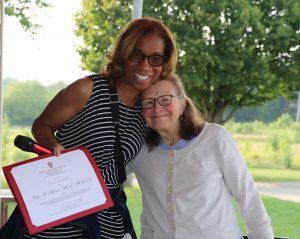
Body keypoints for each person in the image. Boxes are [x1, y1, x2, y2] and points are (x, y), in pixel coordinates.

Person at [0, 17, 178, 239]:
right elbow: (41, 125)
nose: (144, 65)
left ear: (164, 64)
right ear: (124, 53)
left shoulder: (150, 108)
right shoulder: (88, 90)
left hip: (108, 217)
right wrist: (54, 145)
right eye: (137, 54)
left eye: (155, 59)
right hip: (60, 209)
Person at [127, 75, 274, 239]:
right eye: (148, 102)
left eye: (165, 99)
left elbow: (248, 196)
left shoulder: (215, 138)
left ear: (183, 104)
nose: (156, 108)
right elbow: (105, 175)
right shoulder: (138, 149)